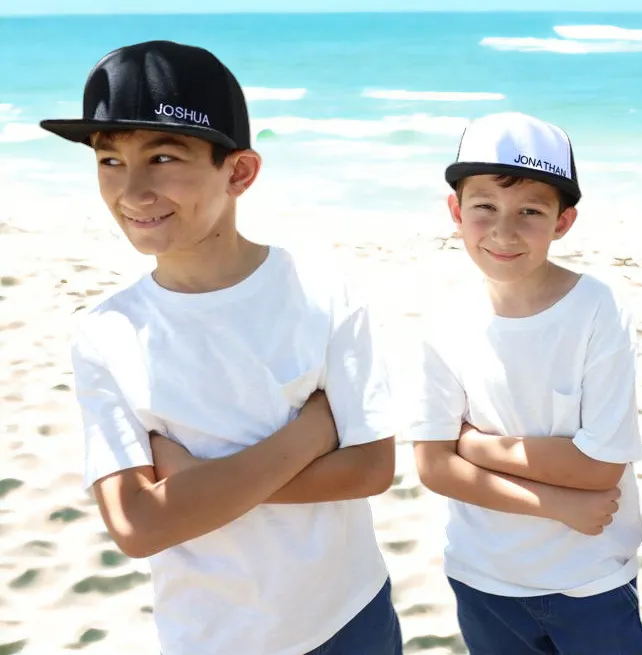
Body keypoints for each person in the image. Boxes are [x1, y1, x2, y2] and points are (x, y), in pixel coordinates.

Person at [40, 40, 401, 655]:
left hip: (350, 617)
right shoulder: (106, 332)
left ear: (239, 172)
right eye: (109, 161)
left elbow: (371, 469)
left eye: (162, 157)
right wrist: (312, 434)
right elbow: (139, 525)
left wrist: (194, 484)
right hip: (211, 635)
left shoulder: (323, 293)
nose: (132, 191)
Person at [406, 112, 642, 654]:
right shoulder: (445, 318)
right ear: (456, 210)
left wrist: (473, 444)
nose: (504, 231)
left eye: (531, 212)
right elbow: (432, 466)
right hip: (480, 578)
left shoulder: (597, 310)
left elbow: (600, 467)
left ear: (563, 222)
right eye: (484, 207)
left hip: (591, 579)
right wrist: (554, 505)